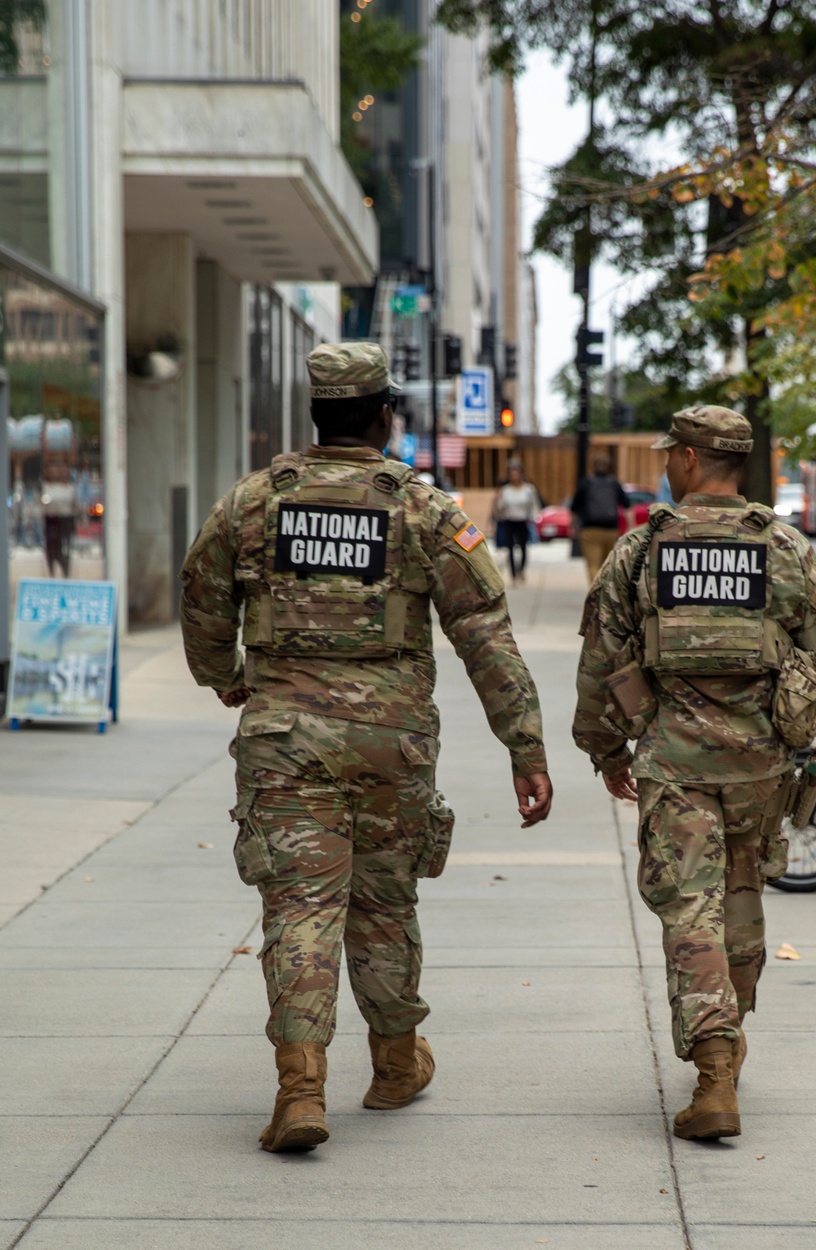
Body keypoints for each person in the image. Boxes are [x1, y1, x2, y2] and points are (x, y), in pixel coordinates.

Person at [180, 342, 552, 1155]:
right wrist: (524, 746)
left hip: (285, 744)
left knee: (299, 909)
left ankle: (300, 1091)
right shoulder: (423, 509)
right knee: (384, 904)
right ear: (385, 415)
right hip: (392, 747)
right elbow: (485, 634)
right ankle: (393, 1066)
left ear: (316, 415)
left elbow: (201, 600)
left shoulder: (252, 503)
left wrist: (227, 677)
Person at [573, 405, 816, 1142]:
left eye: (671, 454)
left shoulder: (642, 551)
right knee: (743, 899)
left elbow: (601, 658)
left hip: (675, 764)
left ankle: (715, 1070)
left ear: (690, 459)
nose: (667, 465)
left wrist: (603, 748)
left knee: (690, 909)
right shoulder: (781, 546)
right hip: (760, 762)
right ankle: (731, 1039)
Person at [571, 453, 630, 582]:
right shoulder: (614, 483)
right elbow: (627, 506)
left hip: (590, 530)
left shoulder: (586, 483)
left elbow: (574, 507)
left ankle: (596, 592)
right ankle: (606, 591)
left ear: (593, 466)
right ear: (608, 466)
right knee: (608, 566)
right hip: (611, 530)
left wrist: (574, 526)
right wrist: (629, 527)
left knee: (593, 566)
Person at [493, 460, 541, 584]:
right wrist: (499, 511)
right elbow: (499, 506)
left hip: (523, 521)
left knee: (523, 547)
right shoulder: (505, 490)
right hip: (509, 521)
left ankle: (521, 569)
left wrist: (533, 518)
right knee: (510, 547)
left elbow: (534, 506)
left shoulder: (528, 489)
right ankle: (513, 573)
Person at [41, 462, 77, 577]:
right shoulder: (46, 487)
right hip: (51, 520)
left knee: (64, 549)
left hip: (66, 520)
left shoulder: (70, 489)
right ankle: (51, 571)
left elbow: (74, 506)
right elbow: (42, 504)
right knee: (51, 547)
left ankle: (65, 572)